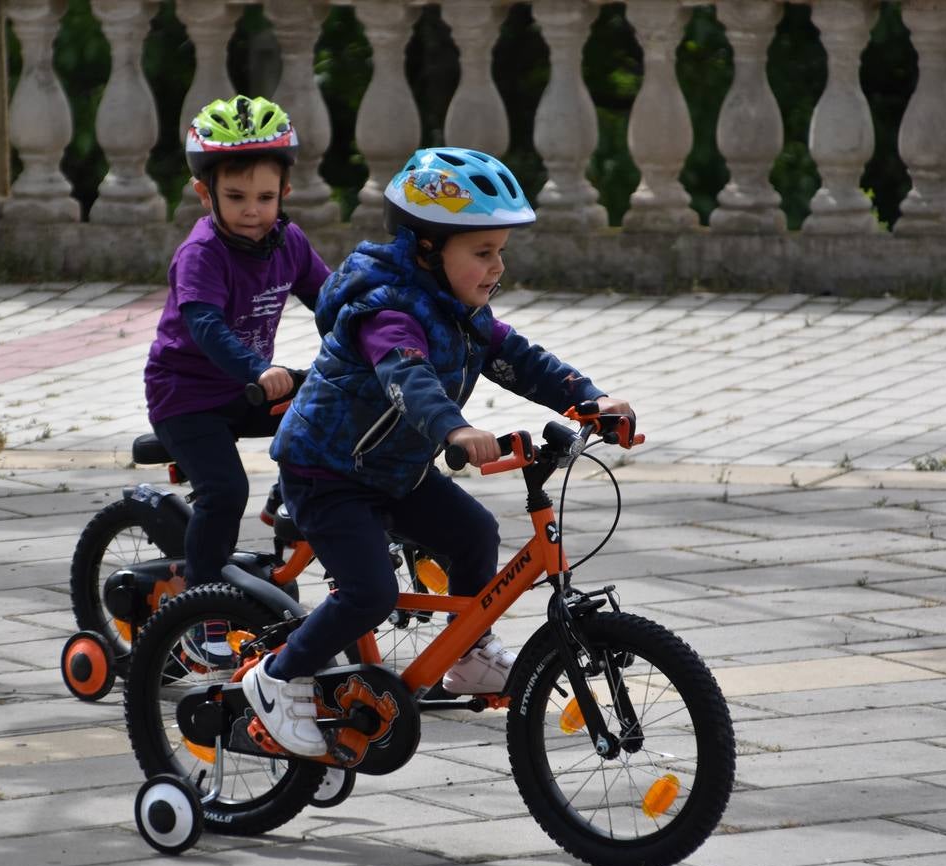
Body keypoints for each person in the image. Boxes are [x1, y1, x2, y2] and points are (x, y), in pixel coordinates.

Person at [243, 147, 635, 756]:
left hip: (392, 471)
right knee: (369, 593)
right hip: (328, 472)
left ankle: (469, 655)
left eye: (500, 251)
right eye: (482, 252)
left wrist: (589, 398)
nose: (496, 266)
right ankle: (277, 678)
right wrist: (454, 430)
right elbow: (408, 378)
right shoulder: (387, 309)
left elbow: (519, 359)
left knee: (475, 533)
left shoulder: (462, 309)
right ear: (428, 247)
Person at [143, 95, 330, 624]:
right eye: (236, 195)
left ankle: (287, 501)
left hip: (246, 389)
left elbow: (332, 299)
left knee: (333, 412)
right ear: (206, 195)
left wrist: (379, 332)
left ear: (285, 193)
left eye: (266, 196)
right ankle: (199, 613)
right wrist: (257, 370)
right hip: (187, 397)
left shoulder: (287, 241)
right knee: (225, 492)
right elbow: (205, 326)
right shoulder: (202, 254)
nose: (253, 209)